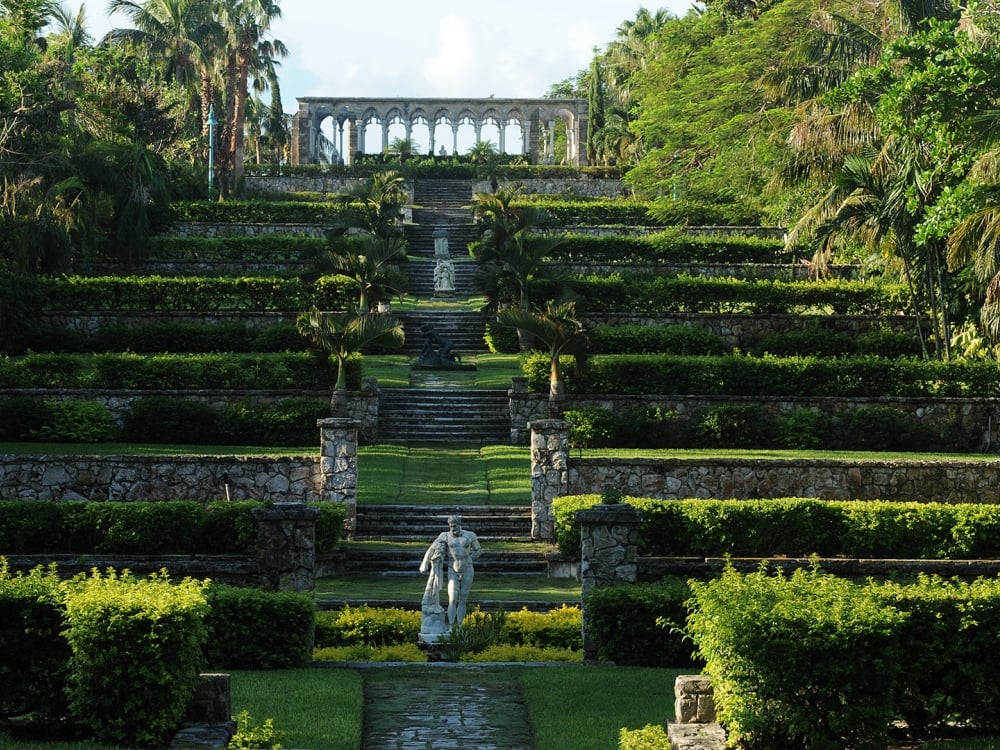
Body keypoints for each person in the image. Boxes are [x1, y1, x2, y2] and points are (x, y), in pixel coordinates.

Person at [419, 515, 481, 627]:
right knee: (452, 599)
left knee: (462, 600)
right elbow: (432, 548)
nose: (453, 528)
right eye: (451, 526)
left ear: (460, 525)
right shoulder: (445, 536)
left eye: (455, 525)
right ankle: (451, 626)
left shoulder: (470, 535)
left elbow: (478, 550)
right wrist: (425, 561)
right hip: (453, 569)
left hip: (467, 569)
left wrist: (469, 560)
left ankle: (460, 626)